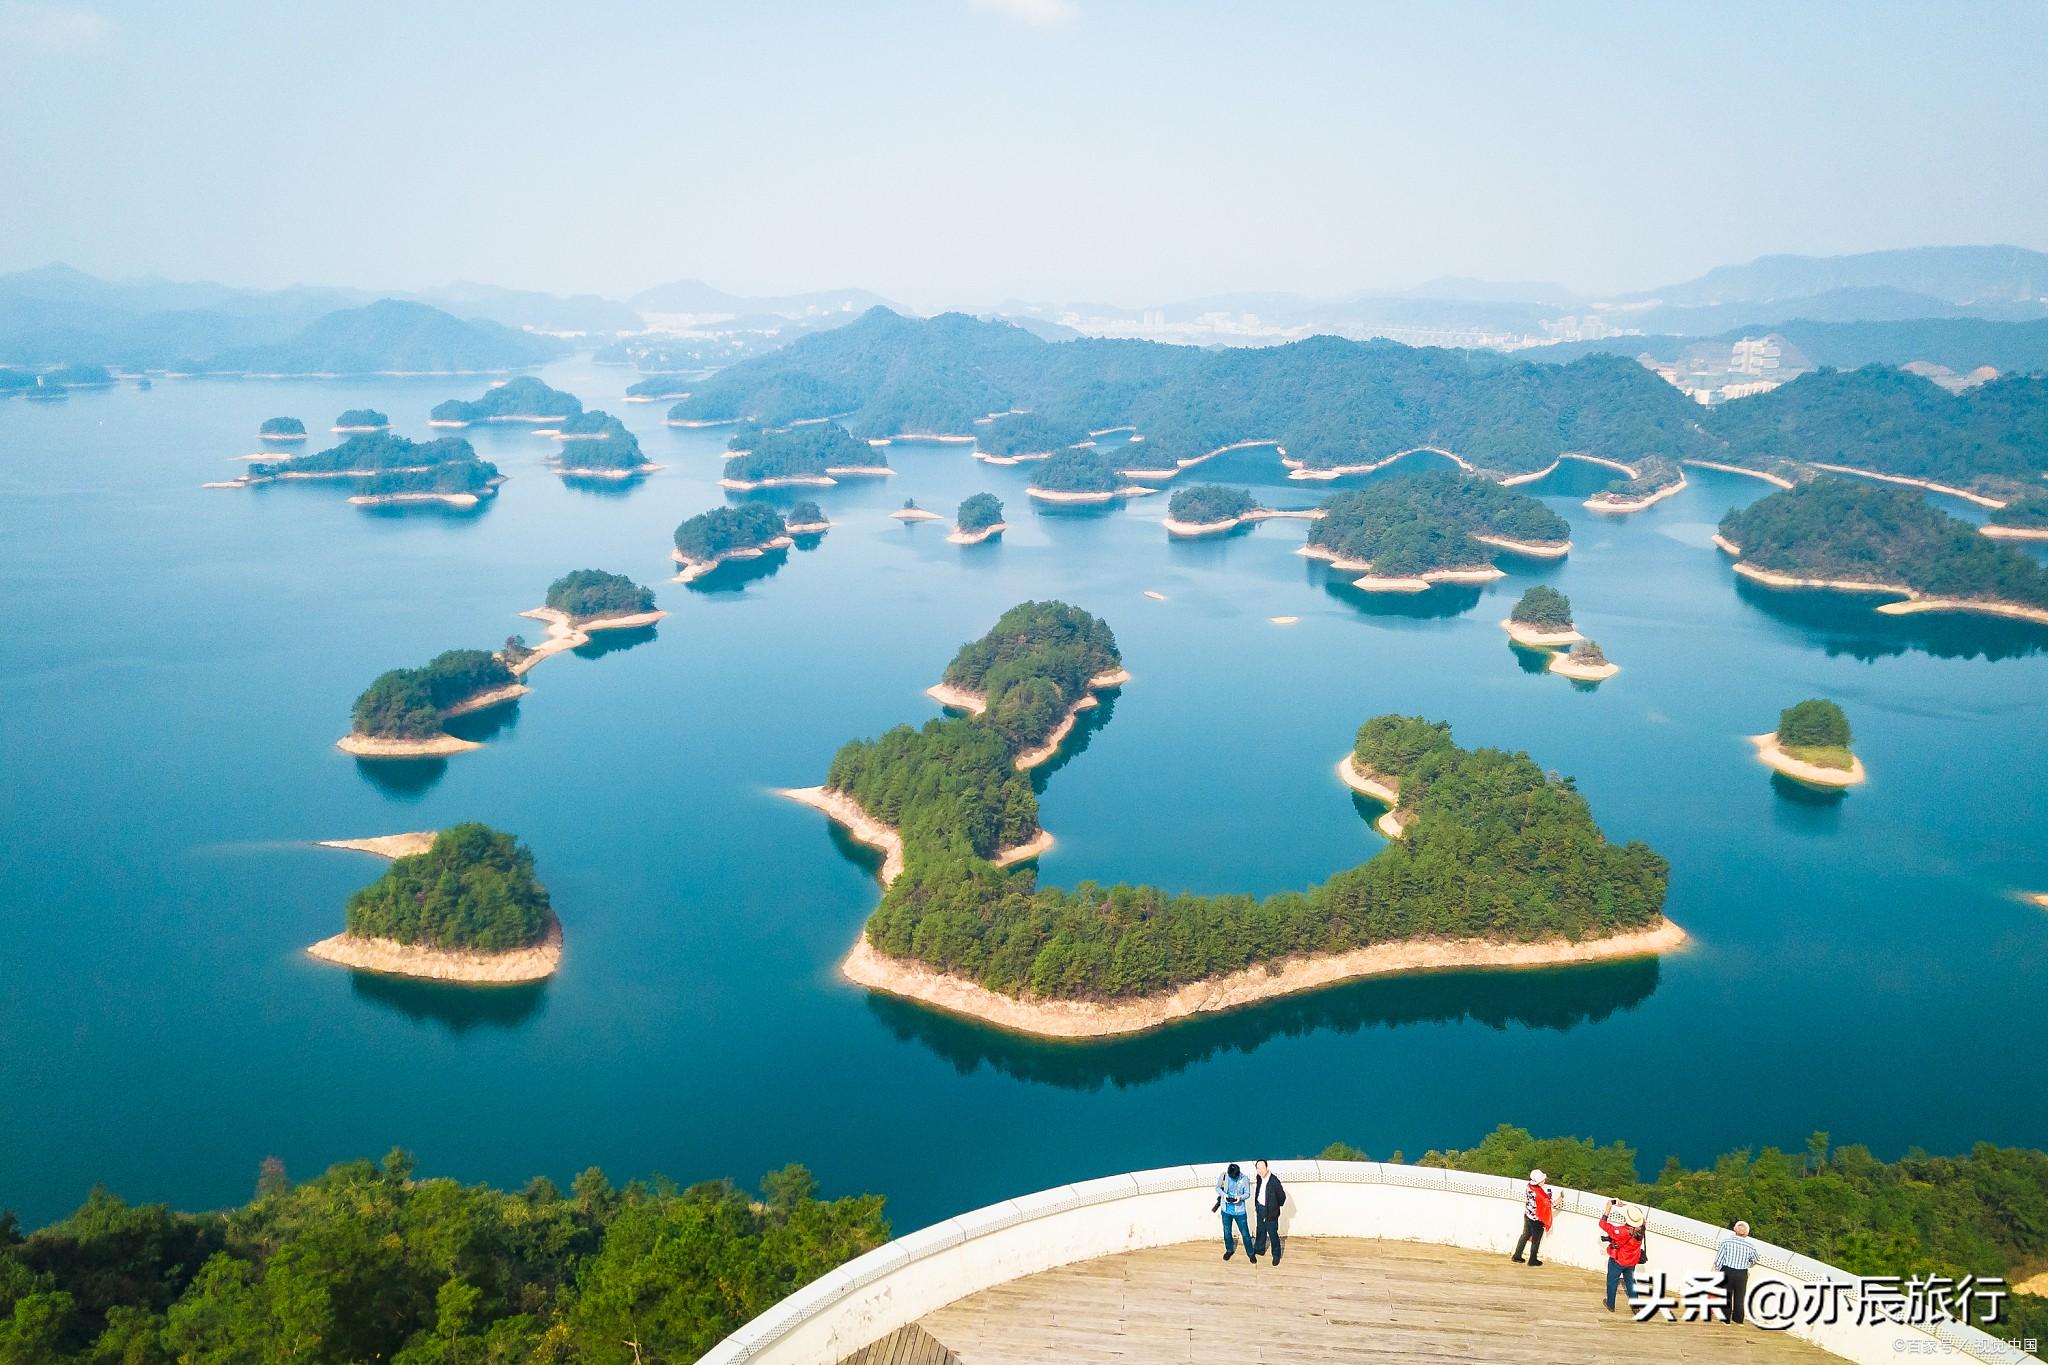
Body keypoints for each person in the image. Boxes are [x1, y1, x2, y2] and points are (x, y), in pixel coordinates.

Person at [1598, 1198, 1648, 1314]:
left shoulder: (1622, 1231)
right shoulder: (1642, 1227)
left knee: (1612, 1281)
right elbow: (1638, 1212)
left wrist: (1608, 1208)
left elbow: (1602, 1224)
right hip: (1632, 1260)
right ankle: (1635, 1306)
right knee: (1630, 1281)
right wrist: (1625, 1205)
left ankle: (1610, 1304)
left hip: (1618, 1260)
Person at [1715, 1220, 1761, 1325]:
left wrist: (1717, 1269)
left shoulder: (1726, 1242)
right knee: (1740, 1296)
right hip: (1741, 1273)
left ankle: (1726, 1319)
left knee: (1727, 1295)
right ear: (1747, 1233)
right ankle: (1738, 1319)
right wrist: (1747, 1264)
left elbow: (1719, 1259)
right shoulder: (1751, 1246)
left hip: (1727, 1270)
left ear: (1734, 1229)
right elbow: (1755, 1260)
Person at [1511, 1167, 1555, 1266]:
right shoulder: (1539, 1194)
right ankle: (1532, 1260)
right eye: (1542, 1180)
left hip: (1528, 1215)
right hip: (1536, 1220)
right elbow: (1551, 1204)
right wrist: (1561, 1197)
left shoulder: (1529, 1186)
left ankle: (1517, 1256)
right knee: (1536, 1240)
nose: (1544, 1181)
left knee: (1525, 1235)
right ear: (1538, 1182)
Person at [1213, 1163, 1252, 1261]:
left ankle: (1251, 1253)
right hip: (1226, 1210)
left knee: (1245, 1234)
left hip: (1240, 1211)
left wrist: (1240, 1198)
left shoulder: (1244, 1179)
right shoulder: (1224, 1176)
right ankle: (1229, 1250)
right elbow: (1218, 1188)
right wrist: (1223, 1195)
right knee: (1227, 1232)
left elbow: (1247, 1194)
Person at [1250, 1159, 1287, 1265]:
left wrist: (1274, 1207)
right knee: (1260, 1230)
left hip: (1271, 1212)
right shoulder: (1259, 1177)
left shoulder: (1274, 1181)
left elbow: (1282, 1198)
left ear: (1267, 1167)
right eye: (1257, 1168)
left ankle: (1276, 1255)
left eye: (1261, 1168)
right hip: (1260, 1208)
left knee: (1272, 1233)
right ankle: (1259, 1249)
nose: (1259, 1170)